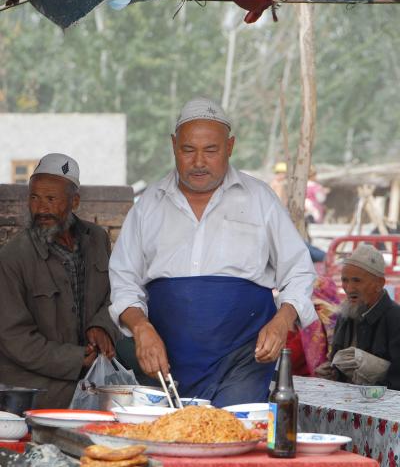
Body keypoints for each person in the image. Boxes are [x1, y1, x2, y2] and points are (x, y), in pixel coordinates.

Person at [109, 97, 316, 407]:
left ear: (229, 147)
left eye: (211, 150)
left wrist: (282, 320)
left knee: (231, 439)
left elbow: (298, 270)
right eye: (188, 150)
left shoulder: (259, 199)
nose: (199, 162)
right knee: (170, 445)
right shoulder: (149, 204)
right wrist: (141, 328)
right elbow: (124, 281)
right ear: (173, 146)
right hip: (165, 362)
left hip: (243, 360)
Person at [0, 153, 119, 408]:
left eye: (51, 199)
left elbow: (116, 292)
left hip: (90, 377)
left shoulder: (97, 239)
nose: (40, 208)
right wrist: (77, 359)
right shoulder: (12, 257)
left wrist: (101, 326)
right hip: (35, 386)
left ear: (74, 201)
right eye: (34, 197)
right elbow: (14, 338)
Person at [315, 244, 400, 389]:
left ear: (379, 284)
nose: (349, 288)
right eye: (345, 280)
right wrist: (331, 372)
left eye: (357, 281)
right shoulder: (345, 315)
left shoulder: (395, 318)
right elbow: (337, 363)